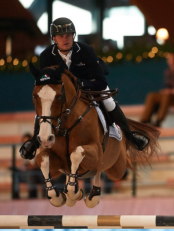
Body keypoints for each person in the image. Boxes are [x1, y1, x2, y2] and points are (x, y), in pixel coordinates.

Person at [20, 17, 149, 160]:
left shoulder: (86, 51)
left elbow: (100, 81)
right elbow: (46, 83)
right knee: (45, 107)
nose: (65, 39)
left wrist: (80, 85)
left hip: (90, 87)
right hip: (62, 93)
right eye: (61, 36)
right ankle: (34, 141)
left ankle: (130, 135)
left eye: (69, 35)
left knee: (109, 102)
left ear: (73, 36)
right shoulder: (46, 56)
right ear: (54, 38)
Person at [140, 53, 174, 127]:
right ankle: (144, 121)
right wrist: (166, 91)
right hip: (169, 93)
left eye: (173, 59)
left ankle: (158, 121)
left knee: (166, 96)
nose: (171, 61)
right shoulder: (167, 72)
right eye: (169, 59)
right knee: (151, 95)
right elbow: (168, 86)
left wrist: (171, 91)